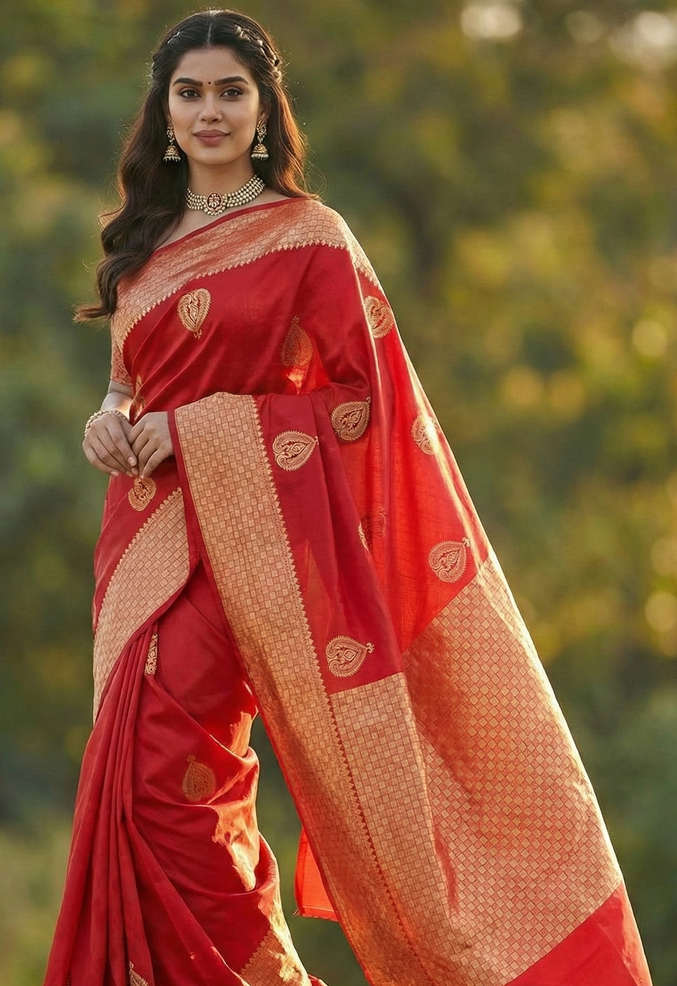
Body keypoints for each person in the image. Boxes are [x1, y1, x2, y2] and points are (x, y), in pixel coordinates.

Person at [44, 10, 652, 986]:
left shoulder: (308, 238)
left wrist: (201, 430)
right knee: (133, 784)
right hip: (144, 544)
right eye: (189, 92)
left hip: (248, 547)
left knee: (173, 787)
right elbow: (129, 382)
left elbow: (363, 406)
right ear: (163, 112)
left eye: (229, 91)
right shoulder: (144, 249)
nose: (208, 110)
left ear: (262, 108)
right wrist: (109, 418)